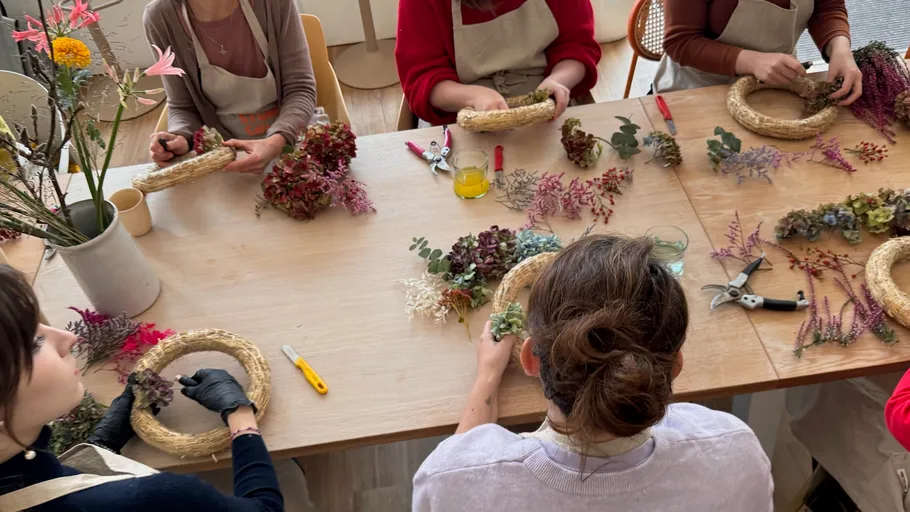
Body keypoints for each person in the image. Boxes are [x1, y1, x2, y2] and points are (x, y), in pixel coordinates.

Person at [412, 235, 774, 511]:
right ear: (675, 367)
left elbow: (461, 456)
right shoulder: (734, 450)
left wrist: (487, 376)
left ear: (530, 360)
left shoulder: (453, 481)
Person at [0, 264, 283, 511]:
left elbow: (48, 485)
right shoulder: (155, 498)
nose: (68, 337)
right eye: (33, 343)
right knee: (292, 469)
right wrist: (240, 414)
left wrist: (102, 443)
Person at [143, 0, 317, 173]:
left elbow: (300, 89)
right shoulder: (161, 18)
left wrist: (276, 141)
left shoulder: (275, 4)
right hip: (223, 153)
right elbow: (183, 106)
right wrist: (181, 136)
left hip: (291, 135)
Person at [395, 0, 602, 126]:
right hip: (463, 114)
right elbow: (421, 77)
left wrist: (560, 80)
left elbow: (578, 44)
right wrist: (472, 96)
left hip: (548, 112)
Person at [654, 0, 862, 106]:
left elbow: (827, 8)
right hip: (699, 89)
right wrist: (753, 62)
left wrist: (840, 48)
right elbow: (681, 42)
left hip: (777, 86)